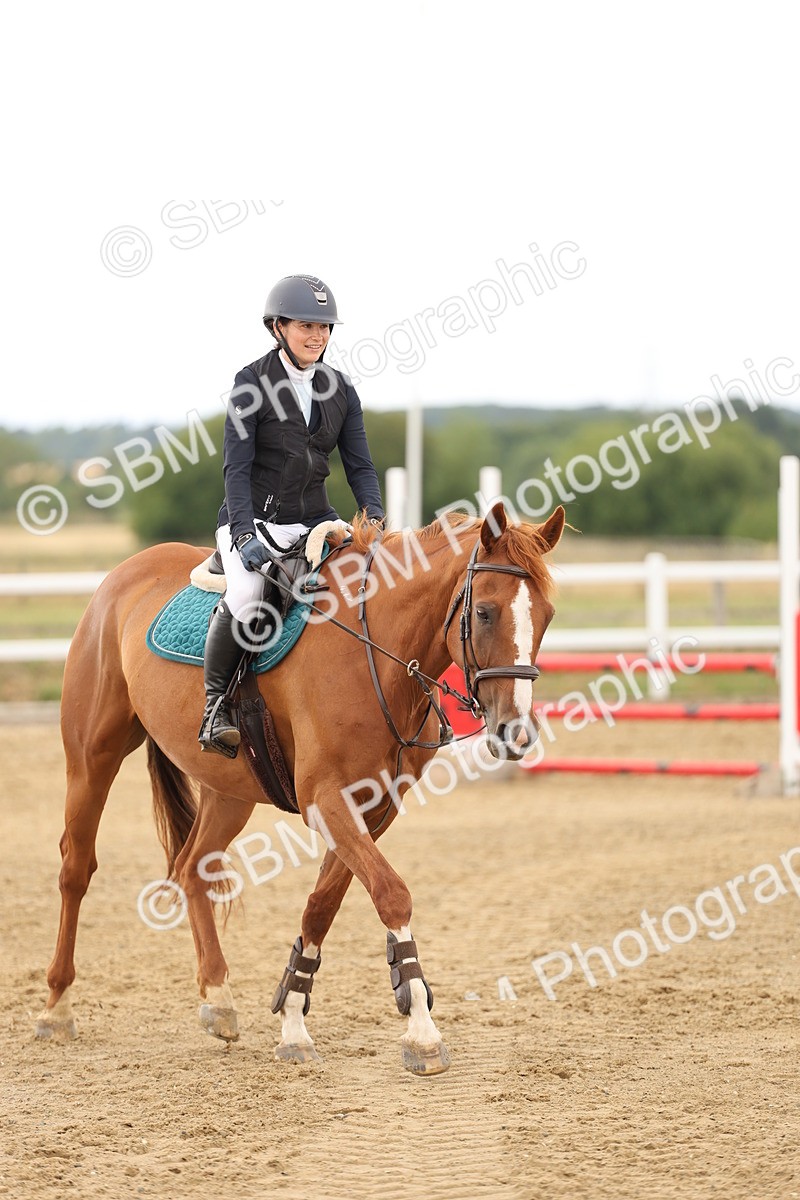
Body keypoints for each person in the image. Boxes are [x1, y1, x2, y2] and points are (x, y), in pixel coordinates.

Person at [198, 274, 386, 756]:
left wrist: (376, 522)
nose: (318, 335)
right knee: (247, 592)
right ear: (278, 326)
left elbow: (360, 466)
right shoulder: (250, 383)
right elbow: (235, 470)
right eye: (307, 325)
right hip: (253, 518)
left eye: (325, 327)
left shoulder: (341, 390)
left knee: (369, 588)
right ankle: (214, 706)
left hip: (315, 521)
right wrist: (243, 537)